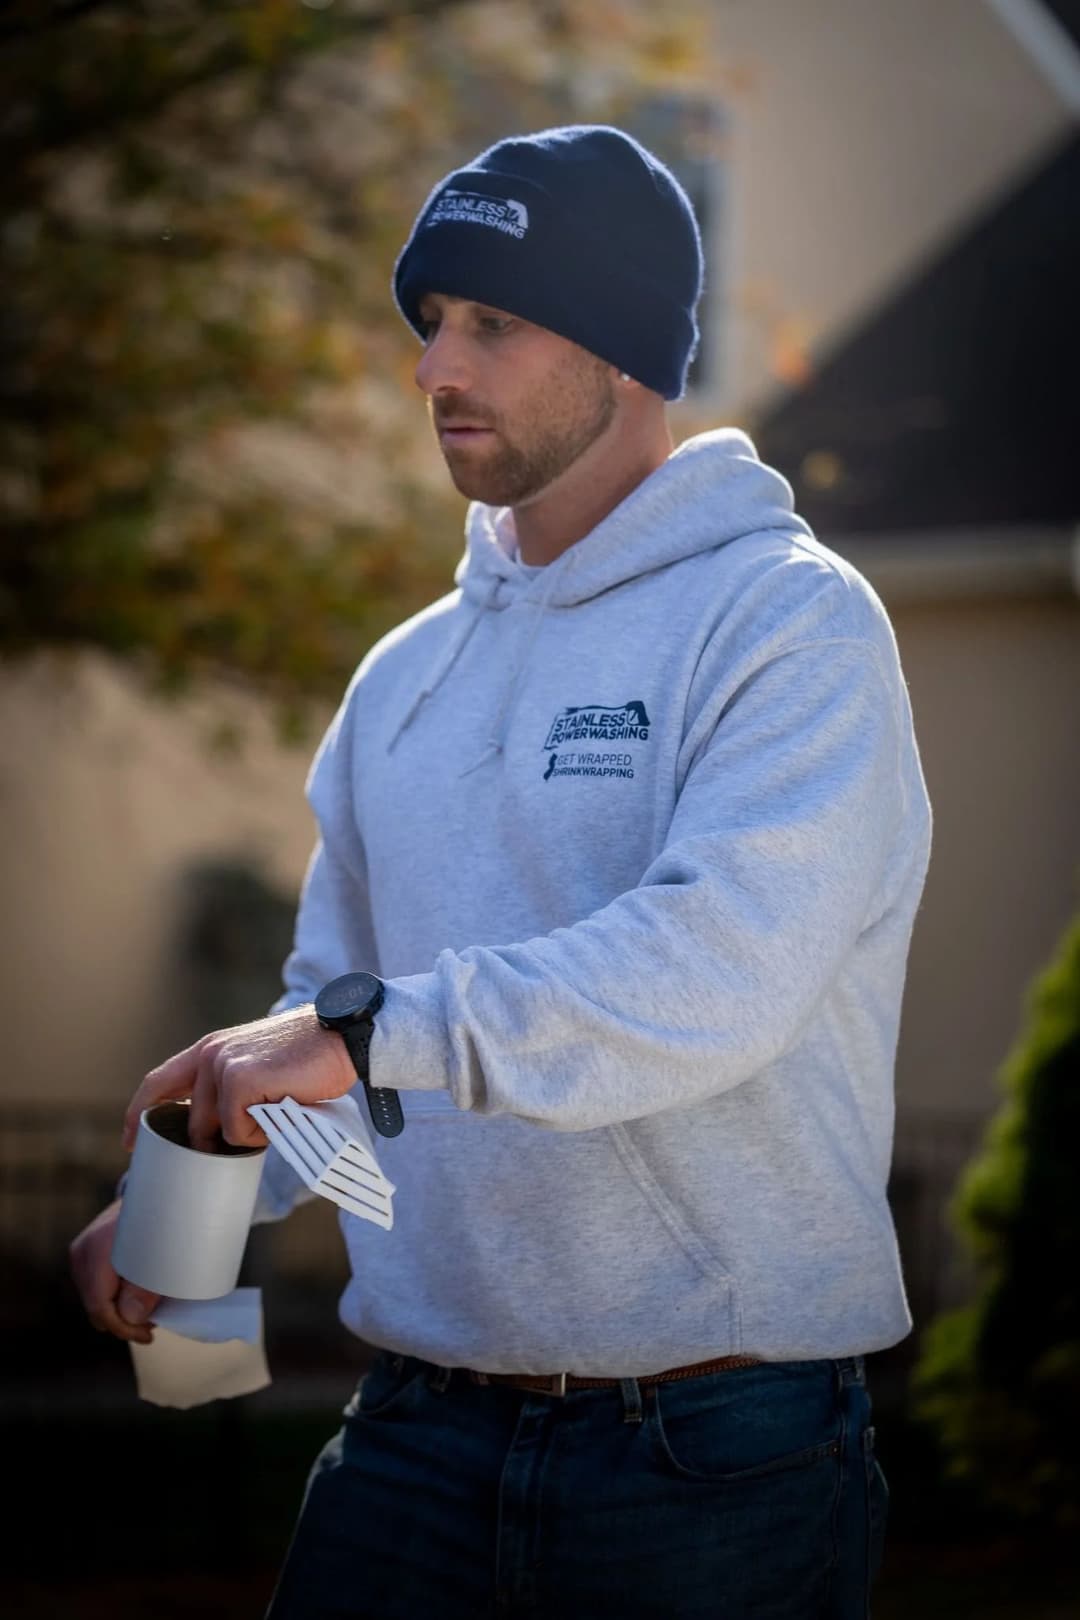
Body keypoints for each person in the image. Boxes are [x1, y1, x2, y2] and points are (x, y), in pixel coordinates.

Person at [71, 125, 932, 1618]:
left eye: (491, 321)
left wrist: (351, 1038)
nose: (433, 369)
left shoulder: (791, 626)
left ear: (624, 348)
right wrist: (199, 1191)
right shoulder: (406, 675)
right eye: (427, 322)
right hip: (414, 1427)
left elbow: (721, 972)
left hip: (712, 1450)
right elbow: (341, 1024)